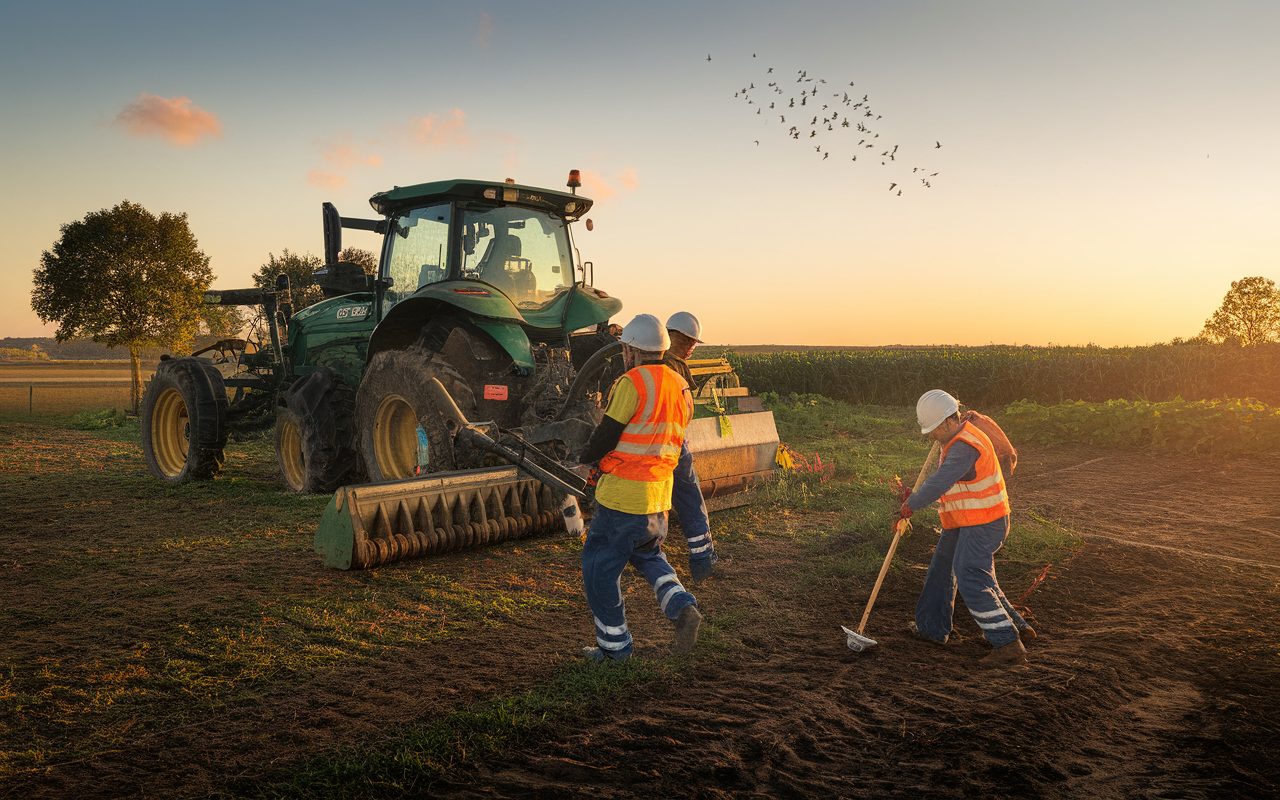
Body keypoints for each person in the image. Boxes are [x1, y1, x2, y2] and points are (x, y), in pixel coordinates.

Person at [576, 314, 703, 661]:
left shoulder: (631, 382)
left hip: (621, 499)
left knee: (599, 568)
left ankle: (614, 650)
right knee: (649, 556)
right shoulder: (680, 387)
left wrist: (584, 460)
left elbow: (607, 433)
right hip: (658, 499)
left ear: (631, 350)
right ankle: (682, 606)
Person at [900, 389, 1035, 666]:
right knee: (942, 568)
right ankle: (932, 628)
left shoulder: (964, 447)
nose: (930, 435)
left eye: (933, 429)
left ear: (950, 421)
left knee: (971, 574)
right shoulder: (956, 436)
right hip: (965, 520)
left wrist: (910, 505)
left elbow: (940, 482)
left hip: (984, 523)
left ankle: (1006, 641)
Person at [663, 311, 717, 581]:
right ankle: (703, 559)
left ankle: (648, 555)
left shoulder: (648, 360)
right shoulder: (674, 366)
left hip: (646, 444)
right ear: (675, 337)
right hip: (672, 442)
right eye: (690, 342)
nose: (692, 348)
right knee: (688, 496)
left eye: (693, 343)